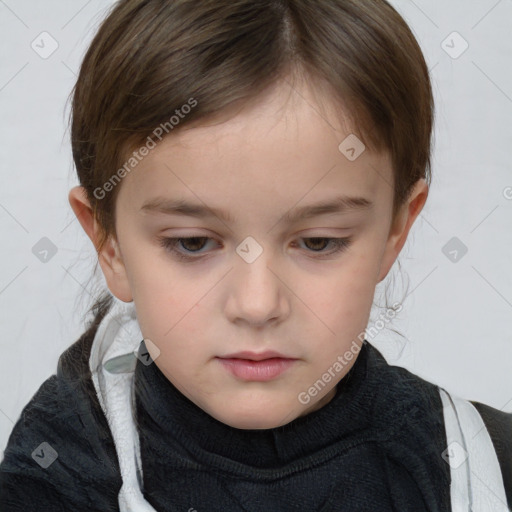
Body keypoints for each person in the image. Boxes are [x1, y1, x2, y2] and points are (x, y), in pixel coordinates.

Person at [1, 0, 511, 510]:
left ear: (396, 229)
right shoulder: (53, 474)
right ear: (108, 243)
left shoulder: (482, 465)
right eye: (193, 243)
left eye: (318, 242)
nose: (258, 304)